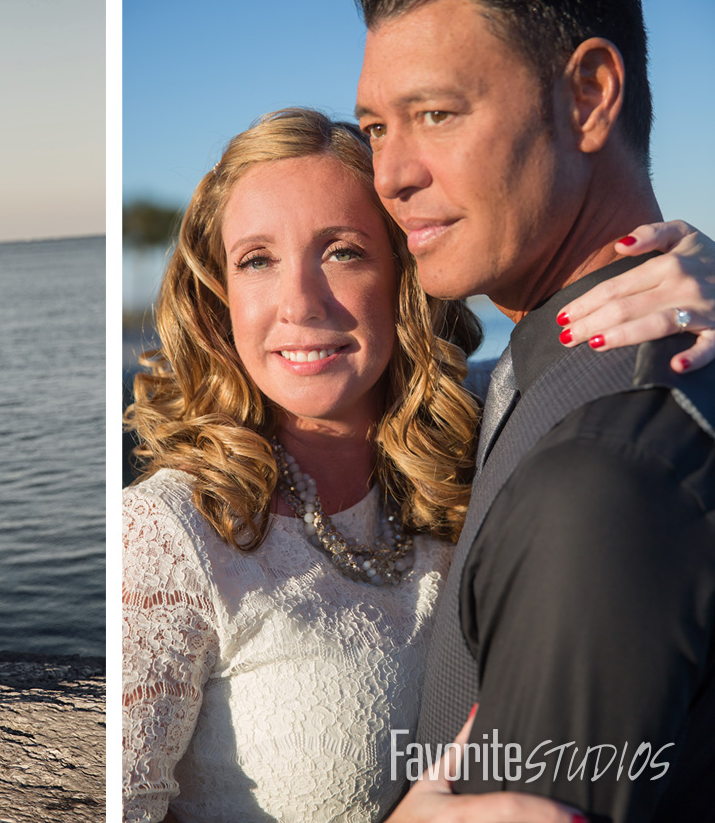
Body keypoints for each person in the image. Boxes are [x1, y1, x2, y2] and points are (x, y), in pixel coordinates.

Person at [123, 108, 597, 823]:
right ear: (219, 300)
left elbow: (604, 352)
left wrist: (692, 275)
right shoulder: (170, 537)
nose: (300, 304)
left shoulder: (480, 427)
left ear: (404, 277)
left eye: (342, 251)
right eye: (257, 259)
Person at [352, 0, 715, 819]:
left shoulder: (600, 473)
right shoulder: (539, 379)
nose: (391, 175)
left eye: (435, 114)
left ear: (589, 96)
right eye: (373, 128)